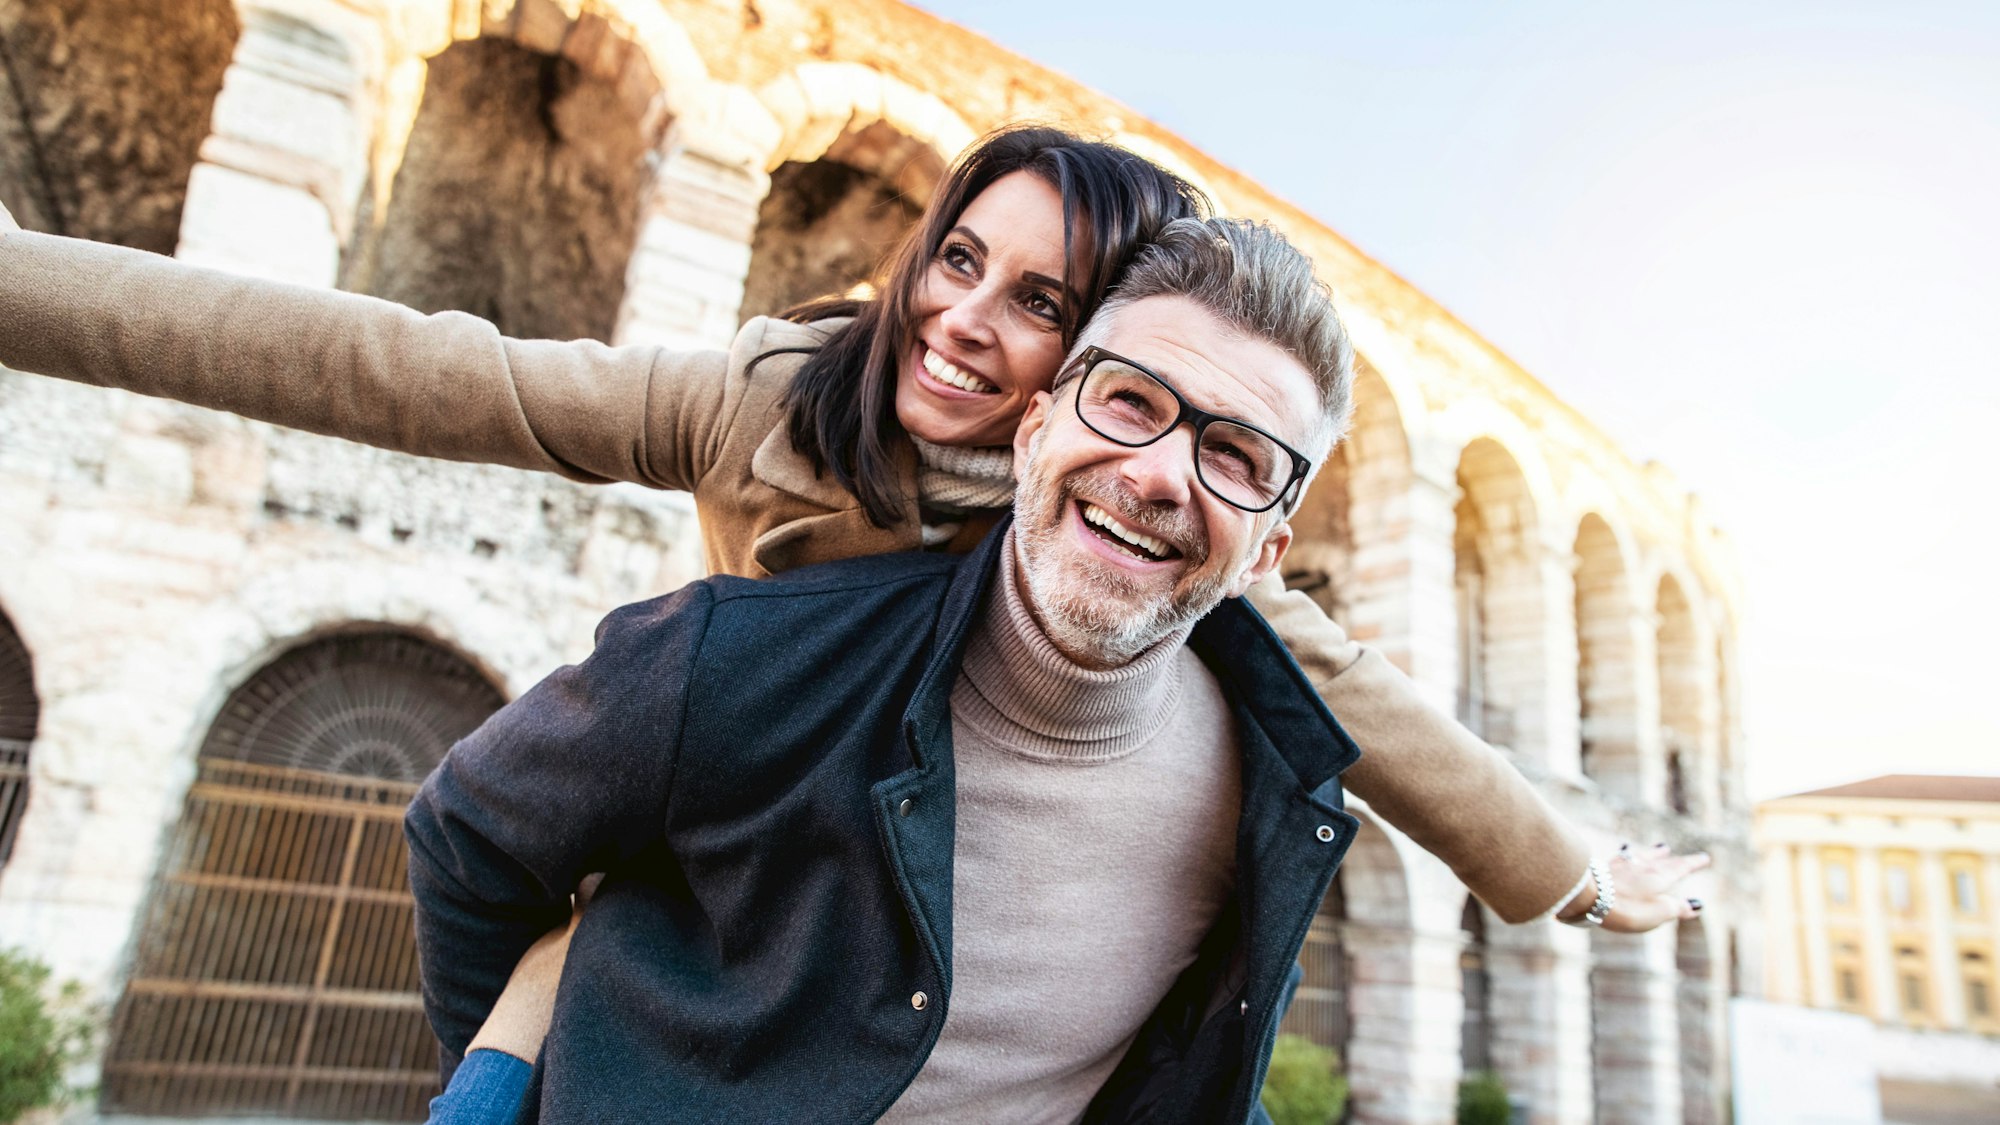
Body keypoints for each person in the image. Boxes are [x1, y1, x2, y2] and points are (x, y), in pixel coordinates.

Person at [0, 127, 1700, 1070]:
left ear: (1089, 364)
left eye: (1037, 300)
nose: (963, 318)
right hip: (707, 863)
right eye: (955, 256)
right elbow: (405, 367)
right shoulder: (764, 397)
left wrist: (1563, 869)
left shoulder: (1109, 510)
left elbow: (1350, 689)